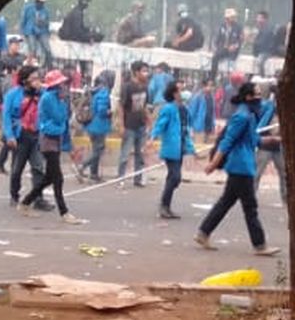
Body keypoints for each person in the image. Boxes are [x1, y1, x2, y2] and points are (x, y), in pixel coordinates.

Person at [196, 81, 280, 256]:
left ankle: (203, 233)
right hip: (241, 167)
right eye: (256, 94)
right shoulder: (242, 116)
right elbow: (227, 141)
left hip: (242, 165)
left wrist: (273, 141)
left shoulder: (248, 114)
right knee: (250, 207)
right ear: (248, 97)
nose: (259, 97)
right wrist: (213, 164)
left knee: (226, 202)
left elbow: (253, 140)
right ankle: (260, 245)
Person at [28, 69, 82, 224]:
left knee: (49, 178)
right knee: (57, 178)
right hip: (48, 139)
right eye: (61, 84)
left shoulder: (61, 100)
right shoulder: (47, 99)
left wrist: (69, 145)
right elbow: (53, 121)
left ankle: (26, 202)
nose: (64, 86)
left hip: (57, 140)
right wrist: (60, 128)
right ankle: (64, 212)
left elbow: (63, 121)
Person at [3, 66, 50, 209]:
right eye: (34, 78)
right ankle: (14, 195)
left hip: (36, 135)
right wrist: (9, 135)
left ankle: (38, 199)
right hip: (20, 136)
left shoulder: (43, 94)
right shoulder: (13, 95)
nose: (37, 81)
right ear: (25, 81)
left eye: (38, 78)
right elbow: (6, 116)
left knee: (38, 168)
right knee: (17, 169)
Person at [152, 79, 195, 219]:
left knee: (174, 178)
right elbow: (160, 124)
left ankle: (166, 206)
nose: (182, 92)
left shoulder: (184, 109)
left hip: (181, 147)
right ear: (174, 93)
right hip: (171, 147)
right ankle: (164, 205)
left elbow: (186, 129)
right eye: (179, 90)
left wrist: (190, 147)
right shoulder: (169, 109)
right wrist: (153, 137)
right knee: (175, 176)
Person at [117, 60, 150, 187]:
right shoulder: (127, 87)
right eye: (144, 71)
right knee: (125, 154)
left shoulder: (145, 87)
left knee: (140, 154)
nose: (146, 74)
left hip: (141, 125)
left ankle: (138, 179)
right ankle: (120, 178)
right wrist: (121, 125)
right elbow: (121, 106)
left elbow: (145, 106)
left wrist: (149, 121)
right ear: (136, 72)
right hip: (129, 125)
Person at [80, 69, 113, 183]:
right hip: (99, 126)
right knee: (98, 150)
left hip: (91, 125)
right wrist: (109, 112)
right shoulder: (104, 92)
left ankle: (94, 174)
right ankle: (83, 166)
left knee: (96, 150)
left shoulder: (94, 91)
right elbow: (102, 110)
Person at [254, 89, 287, 202]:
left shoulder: (286, 111)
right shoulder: (267, 108)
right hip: (265, 145)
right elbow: (261, 124)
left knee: (284, 173)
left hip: (279, 146)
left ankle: (286, 199)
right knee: (257, 172)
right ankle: (250, 197)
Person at [209, 7, 242, 80]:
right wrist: (215, 47)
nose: (229, 19)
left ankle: (230, 79)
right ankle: (212, 77)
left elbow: (240, 40)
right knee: (215, 58)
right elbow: (217, 38)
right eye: (228, 18)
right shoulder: (222, 26)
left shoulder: (238, 27)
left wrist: (234, 46)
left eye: (232, 17)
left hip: (233, 50)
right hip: (223, 48)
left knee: (231, 64)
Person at [20, 0, 52, 67]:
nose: (40, 4)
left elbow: (47, 24)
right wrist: (22, 32)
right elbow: (23, 21)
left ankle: (49, 65)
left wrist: (46, 30)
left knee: (47, 48)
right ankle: (32, 64)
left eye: (42, 3)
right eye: (39, 2)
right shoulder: (28, 8)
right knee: (32, 47)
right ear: (36, 1)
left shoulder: (45, 11)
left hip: (42, 31)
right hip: (30, 31)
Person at [252, 10, 279, 75]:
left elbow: (263, 42)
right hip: (260, 51)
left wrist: (255, 40)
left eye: (260, 18)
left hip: (267, 51)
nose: (258, 20)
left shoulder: (268, 29)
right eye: (257, 18)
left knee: (260, 61)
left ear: (265, 19)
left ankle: (261, 76)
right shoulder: (258, 28)